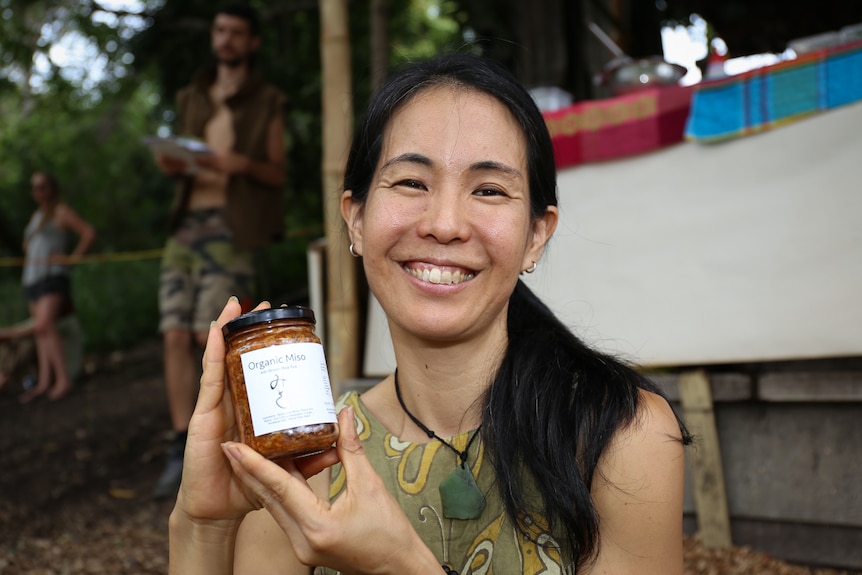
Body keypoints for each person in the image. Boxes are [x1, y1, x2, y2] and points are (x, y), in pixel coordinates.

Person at [169, 53, 691, 574]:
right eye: (411, 183)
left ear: (536, 235)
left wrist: (400, 565)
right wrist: (202, 524)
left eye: (488, 190)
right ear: (355, 220)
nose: (444, 224)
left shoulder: (621, 435)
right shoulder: (309, 460)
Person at [151, 2, 287, 498]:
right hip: (185, 225)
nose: (225, 38)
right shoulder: (193, 95)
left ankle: (225, 444)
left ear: (251, 42)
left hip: (232, 228)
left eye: (235, 32)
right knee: (170, 334)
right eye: (219, 29)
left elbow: (275, 172)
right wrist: (174, 165)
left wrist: (237, 163)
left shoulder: (267, 99)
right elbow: (183, 161)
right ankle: (178, 444)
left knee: (207, 336)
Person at [17, 171, 95, 403]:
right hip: (33, 278)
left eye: (43, 186)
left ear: (52, 187)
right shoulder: (36, 216)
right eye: (35, 187)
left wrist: (71, 259)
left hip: (52, 277)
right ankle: (44, 382)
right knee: (41, 331)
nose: (39, 191)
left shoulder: (61, 211)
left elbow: (88, 233)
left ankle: (63, 380)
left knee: (45, 325)